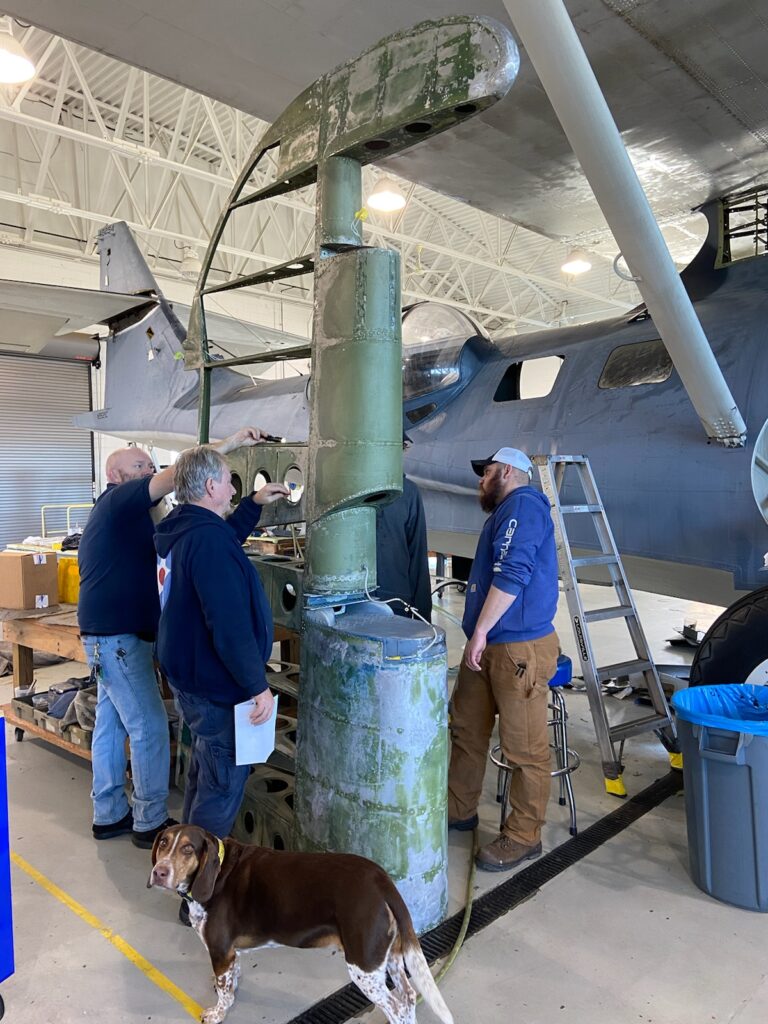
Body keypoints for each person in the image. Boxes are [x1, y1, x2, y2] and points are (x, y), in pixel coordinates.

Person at [78, 428, 268, 849]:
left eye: (151, 464)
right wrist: (230, 444)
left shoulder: (165, 525)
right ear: (118, 475)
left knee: (110, 726)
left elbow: (211, 540)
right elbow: (183, 472)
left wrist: (250, 506)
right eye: (141, 467)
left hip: (108, 637)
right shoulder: (120, 501)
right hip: (119, 638)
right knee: (147, 727)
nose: (152, 471)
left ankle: (107, 813)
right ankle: (150, 822)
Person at [154, 444, 288, 841]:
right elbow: (228, 627)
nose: (233, 488)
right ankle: (198, 890)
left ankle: (184, 862)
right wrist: (256, 686)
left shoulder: (185, 528)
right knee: (222, 784)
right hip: (215, 687)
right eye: (230, 481)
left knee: (205, 769)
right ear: (211, 486)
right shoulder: (207, 541)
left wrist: (252, 504)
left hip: (190, 678)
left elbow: (220, 539)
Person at [447, 447, 560, 872]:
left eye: (487, 471)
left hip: (517, 648)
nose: (481, 479)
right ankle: (459, 810)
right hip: (490, 645)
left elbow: (513, 573)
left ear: (508, 471)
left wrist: (480, 631)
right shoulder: (505, 512)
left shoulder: (524, 505)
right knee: (467, 730)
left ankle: (523, 836)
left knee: (525, 750)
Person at [375, 433, 432, 621]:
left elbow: (418, 555)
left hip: (396, 603)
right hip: (351, 602)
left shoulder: (408, 493)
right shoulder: (347, 489)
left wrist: (423, 615)